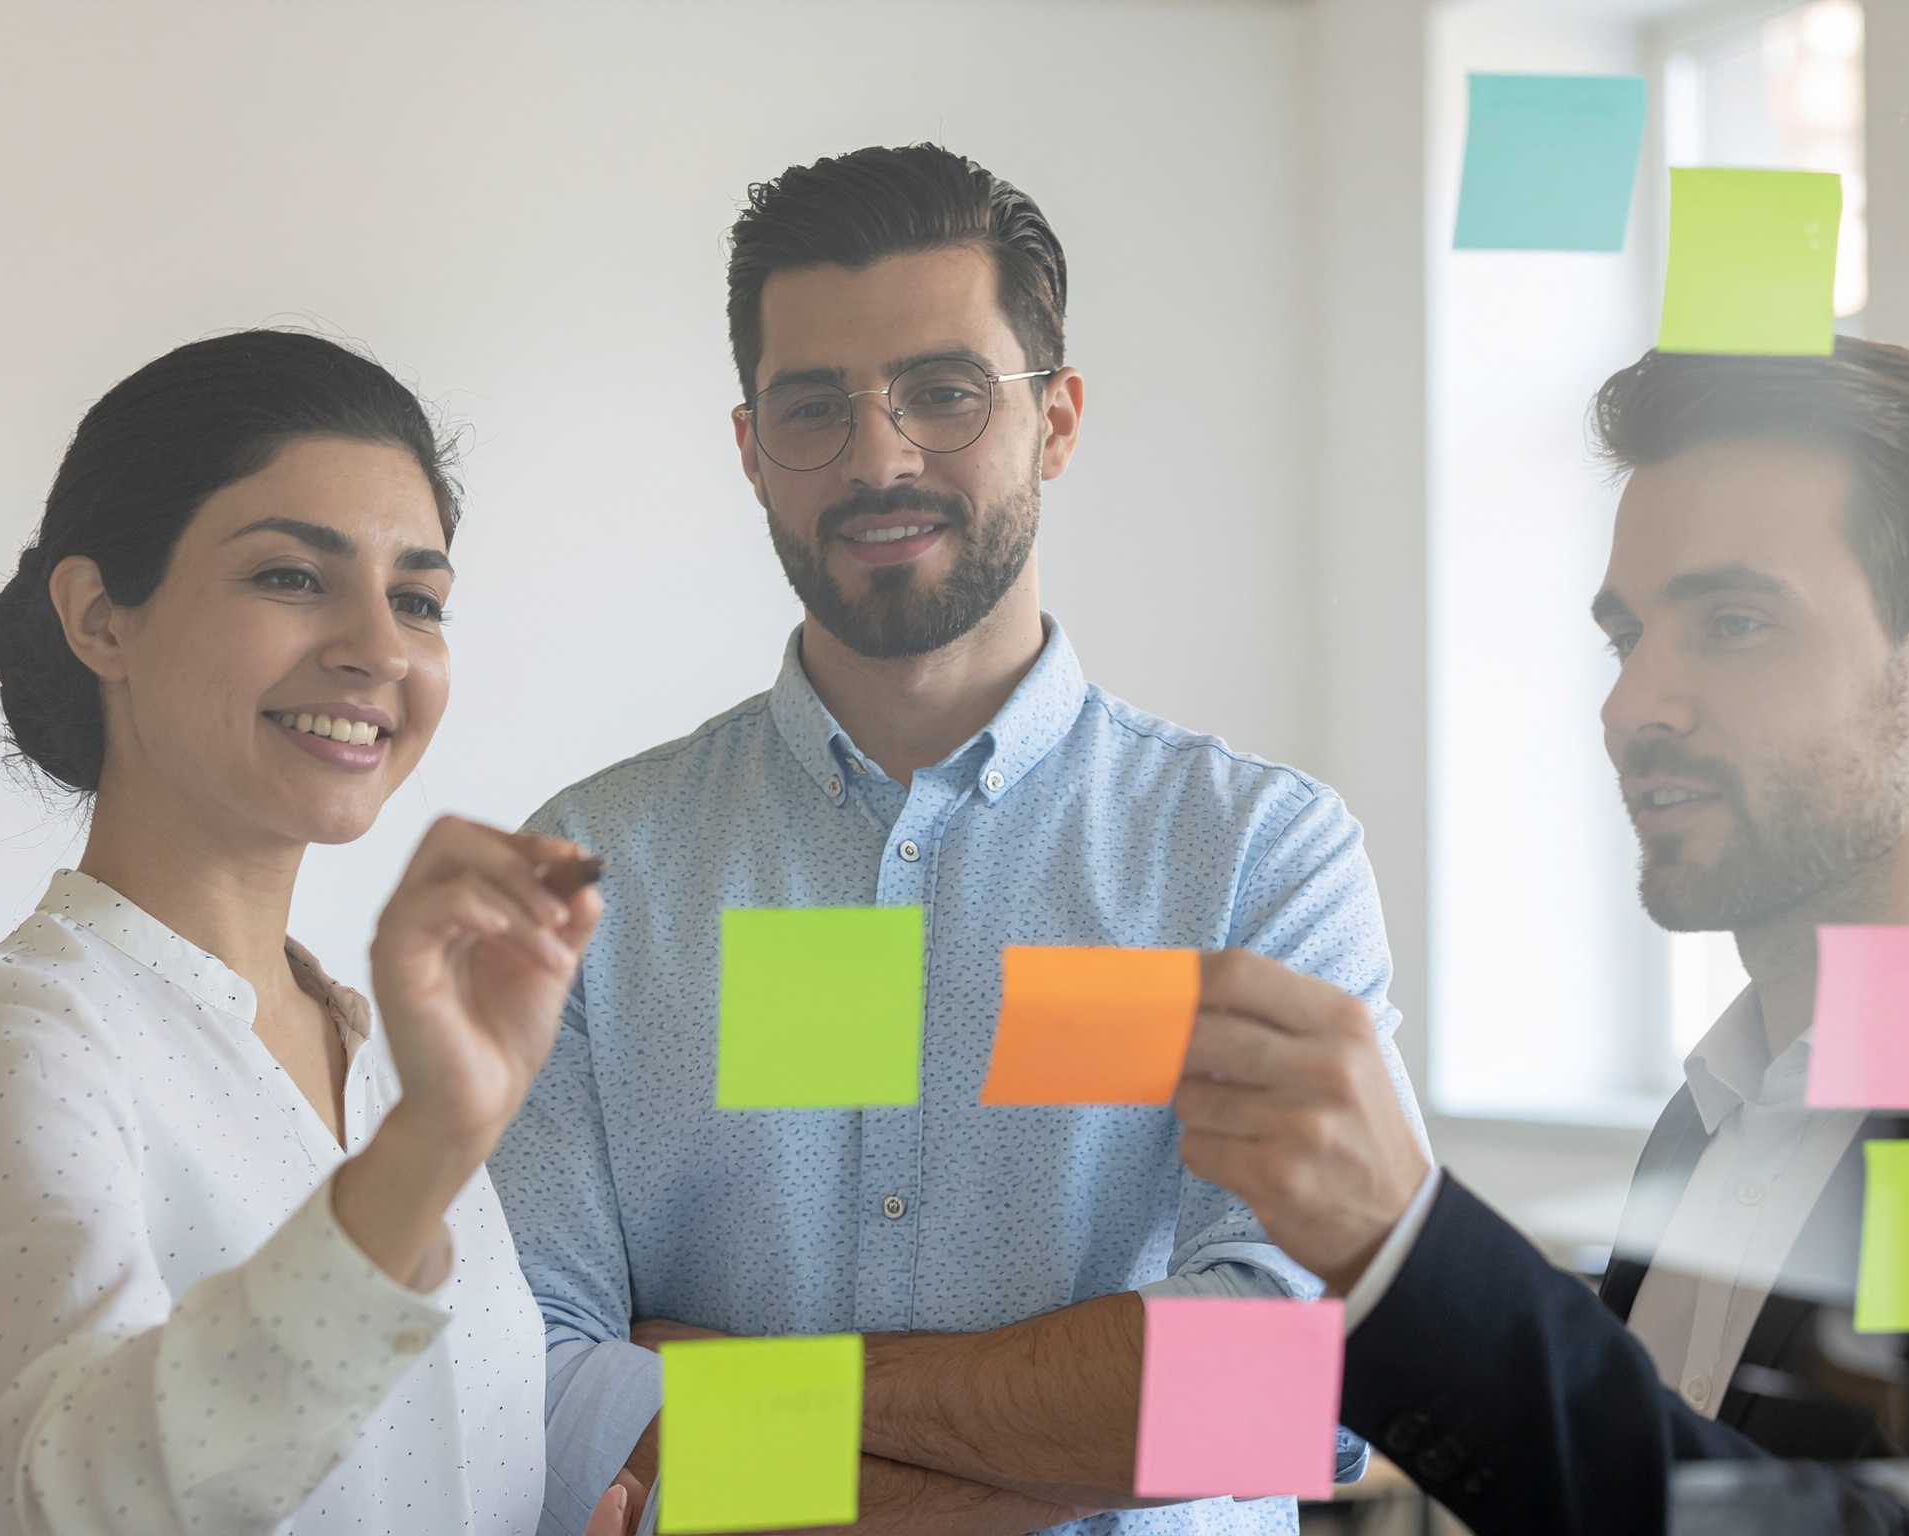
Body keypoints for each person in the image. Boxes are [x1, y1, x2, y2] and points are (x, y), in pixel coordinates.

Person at [1171, 339, 1909, 1534]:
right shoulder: (1718, 1114)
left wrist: (1410, 1249)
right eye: (1628, 638)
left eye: (1735, 623)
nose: (1629, 707)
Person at [490, 144, 1421, 1536]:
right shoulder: (584, 872)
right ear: (750, 451)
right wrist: (1050, 1453)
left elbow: (1280, 1386)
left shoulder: (1255, 858)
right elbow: (546, 1402)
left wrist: (738, 1402)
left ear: (1058, 419)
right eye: (815, 406)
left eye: (944, 392)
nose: (881, 458)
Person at [0, 330, 633, 1536]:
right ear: (100, 617)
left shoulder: (390, 1060)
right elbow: (95, 1500)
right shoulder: (7, 1035)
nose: (379, 648)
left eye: (418, 599)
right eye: (291, 576)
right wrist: (429, 1149)